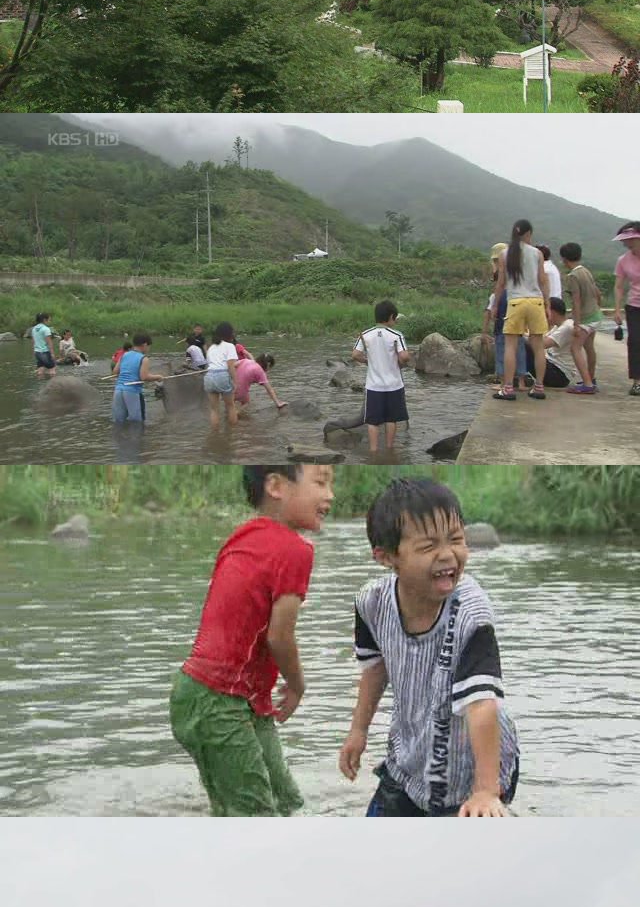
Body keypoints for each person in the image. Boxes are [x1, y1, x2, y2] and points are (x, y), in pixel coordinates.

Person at [339, 477, 519, 817]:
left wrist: (484, 791)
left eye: (456, 539)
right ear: (386, 556)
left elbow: (482, 703)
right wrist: (358, 731)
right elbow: (374, 669)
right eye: (428, 547)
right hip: (410, 759)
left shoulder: (471, 613)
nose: (447, 554)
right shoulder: (372, 603)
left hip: (473, 766)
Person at [170, 464, 334, 816]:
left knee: (287, 803)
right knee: (255, 817)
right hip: (217, 701)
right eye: (320, 482)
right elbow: (279, 636)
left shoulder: (243, 534)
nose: (330, 495)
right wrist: (297, 685)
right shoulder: (295, 550)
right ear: (275, 485)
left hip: (226, 697)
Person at [492, 220, 549, 400]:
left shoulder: (504, 254)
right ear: (528, 234)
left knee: (511, 345)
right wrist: (547, 303)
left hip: (515, 301)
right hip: (535, 301)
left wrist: (495, 305)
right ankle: (539, 387)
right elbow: (542, 280)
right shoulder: (537, 254)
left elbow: (501, 283)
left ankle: (508, 388)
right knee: (538, 346)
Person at [353, 299, 410, 453]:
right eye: (395, 318)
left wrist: (367, 361)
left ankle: (373, 452)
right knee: (391, 419)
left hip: (373, 386)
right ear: (391, 316)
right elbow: (404, 357)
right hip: (394, 385)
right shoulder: (396, 335)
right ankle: (390, 450)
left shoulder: (365, 335)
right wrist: (401, 361)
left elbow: (355, 354)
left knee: (372, 421)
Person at [559, 242, 603, 395]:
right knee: (589, 348)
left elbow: (576, 301)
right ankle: (591, 378)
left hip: (586, 318)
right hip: (596, 314)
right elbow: (597, 293)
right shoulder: (586, 271)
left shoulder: (573, 276)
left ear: (564, 259)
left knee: (575, 348)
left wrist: (577, 324)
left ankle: (588, 384)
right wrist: (597, 307)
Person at [483, 244, 527, 390]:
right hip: (518, 324)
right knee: (520, 351)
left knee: (502, 352)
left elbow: (488, 313)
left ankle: (504, 383)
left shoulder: (497, 294)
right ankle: (521, 383)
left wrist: (484, 332)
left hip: (502, 328)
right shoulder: (519, 283)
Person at [613, 221, 640, 397]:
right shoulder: (623, 260)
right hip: (634, 305)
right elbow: (619, 286)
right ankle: (637, 382)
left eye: (630, 239)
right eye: (625, 240)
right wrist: (617, 309)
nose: (627, 243)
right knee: (635, 341)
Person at [112, 332, 164, 424]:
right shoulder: (144, 358)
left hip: (118, 390)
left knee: (119, 422)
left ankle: (119, 438)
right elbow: (144, 377)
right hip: (132, 392)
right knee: (137, 423)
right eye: (149, 346)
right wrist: (158, 377)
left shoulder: (124, 355)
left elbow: (115, 372)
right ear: (145, 345)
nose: (149, 349)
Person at [525, 297, 577, 388]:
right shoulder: (558, 326)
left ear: (552, 312)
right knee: (520, 342)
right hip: (553, 367)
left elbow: (541, 345)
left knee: (523, 346)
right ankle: (520, 376)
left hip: (559, 375)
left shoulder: (567, 327)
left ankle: (518, 377)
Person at [204, 321, 239, 430]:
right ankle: (233, 434)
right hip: (222, 375)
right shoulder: (229, 346)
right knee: (230, 406)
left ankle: (215, 435)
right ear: (229, 333)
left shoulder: (211, 348)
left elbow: (209, 364)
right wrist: (236, 381)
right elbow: (230, 366)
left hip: (209, 377)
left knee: (214, 409)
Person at [30, 312, 57, 378]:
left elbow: (33, 341)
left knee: (40, 370)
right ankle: (53, 385)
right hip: (45, 352)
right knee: (52, 369)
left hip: (37, 352)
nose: (49, 321)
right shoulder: (46, 329)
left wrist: (34, 351)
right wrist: (52, 354)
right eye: (49, 320)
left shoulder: (34, 329)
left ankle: (40, 384)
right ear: (45, 320)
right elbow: (49, 342)